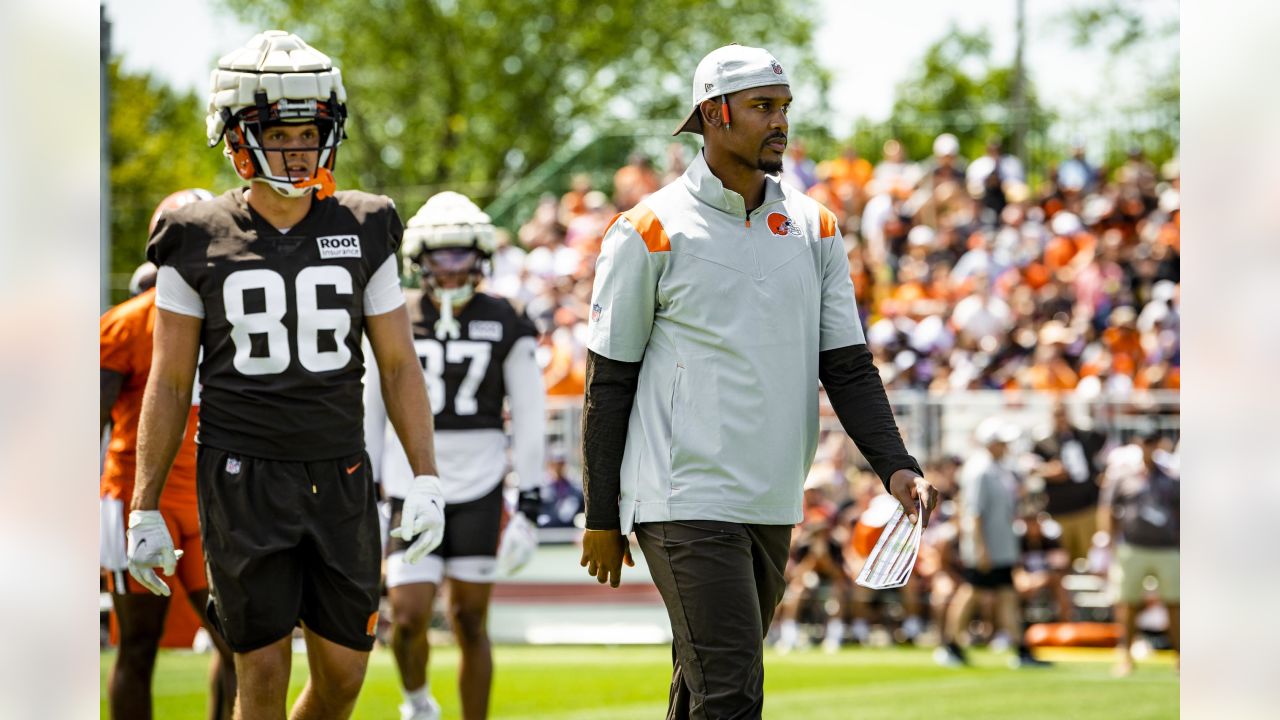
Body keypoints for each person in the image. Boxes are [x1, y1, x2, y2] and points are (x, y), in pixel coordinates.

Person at [578, 44, 938, 719]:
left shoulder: (817, 226)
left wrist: (897, 467)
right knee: (731, 696)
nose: (780, 122)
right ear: (714, 114)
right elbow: (609, 380)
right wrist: (601, 513)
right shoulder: (646, 230)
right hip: (682, 496)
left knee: (705, 688)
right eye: (762, 107)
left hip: (773, 497)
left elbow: (849, 366)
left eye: (784, 108)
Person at [126, 31, 443, 720]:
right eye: (280, 131)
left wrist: (425, 474)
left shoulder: (366, 224)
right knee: (261, 673)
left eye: (310, 131)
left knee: (342, 680)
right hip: (242, 475)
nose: (299, 148)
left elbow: (397, 362)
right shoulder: (195, 236)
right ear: (236, 134)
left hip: (341, 471)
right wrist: (143, 502)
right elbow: (171, 383)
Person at [365, 191, 546, 720]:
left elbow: (530, 414)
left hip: (482, 478)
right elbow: (370, 408)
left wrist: (529, 501)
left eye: (460, 254)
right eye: (438, 256)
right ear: (417, 259)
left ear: (482, 254)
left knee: (470, 619)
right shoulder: (392, 312)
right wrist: (368, 489)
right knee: (408, 613)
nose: (449, 269)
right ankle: (418, 703)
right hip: (408, 477)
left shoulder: (508, 316)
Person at [101, 194, 236, 720]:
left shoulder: (241, 311)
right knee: (138, 642)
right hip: (141, 497)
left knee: (237, 642)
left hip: (213, 499)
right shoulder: (128, 322)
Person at [936, 418, 1051, 668]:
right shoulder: (980, 470)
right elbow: (974, 513)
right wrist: (980, 549)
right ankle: (951, 644)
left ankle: (1021, 649)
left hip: (1000, 547)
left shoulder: (998, 469)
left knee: (1006, 595)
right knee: (971, 593)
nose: (1005, 447)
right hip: (987, 548)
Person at [1098, 427, 1180, 676]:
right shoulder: (1123, 477)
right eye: (1145, 442)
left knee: (1174, 604)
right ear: (1137, 444)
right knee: (1128, 604)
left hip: (1167, 548)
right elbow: (1108, 510)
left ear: (1159, 444)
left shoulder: (1171, 478)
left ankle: (1181, 657)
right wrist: (1107, 544)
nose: (1149, 446)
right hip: (1132, 547)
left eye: (1153, 441)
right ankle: (1125, 656)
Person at [1032, 399, 1107, 566]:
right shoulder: (1043, 442)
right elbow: (1031, 466)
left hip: (1086, 508)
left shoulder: (1084, 435)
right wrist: (1048, 471)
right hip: (1060, 511)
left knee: (1092, 558)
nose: (1061, 418)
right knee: (1063, 561)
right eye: (1057, 415)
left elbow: (1102, 446)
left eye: (1063, 414)